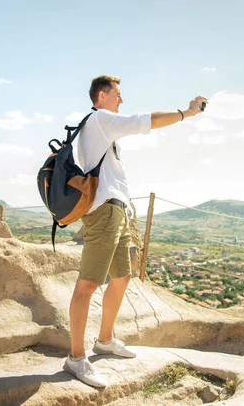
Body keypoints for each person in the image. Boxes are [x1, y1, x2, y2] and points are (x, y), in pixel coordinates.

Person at [63, 75, 208, 388]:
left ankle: (105, 340)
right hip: (103, 212)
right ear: (102, 95)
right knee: (88, 285)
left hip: (117, 210)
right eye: (118, 93)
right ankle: (76, 358)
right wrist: (187, 112)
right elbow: (148, 121)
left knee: (122, 276)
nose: (121, 99)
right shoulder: (102, 119)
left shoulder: (104, 129)